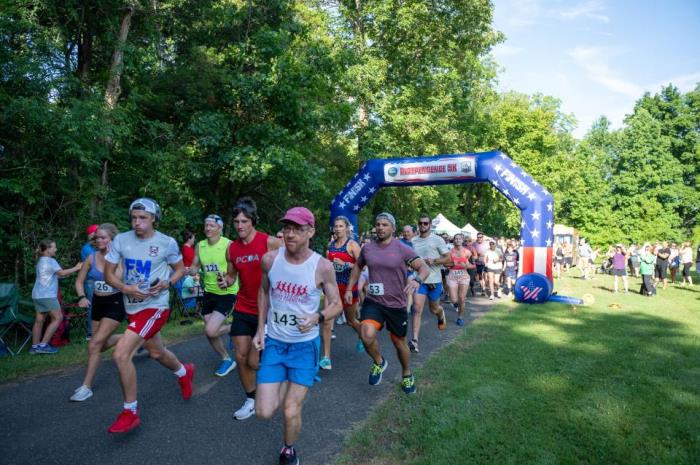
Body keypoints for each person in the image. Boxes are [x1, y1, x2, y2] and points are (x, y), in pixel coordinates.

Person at [253, 207, 342, 465]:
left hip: (304, 347)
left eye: (297, 229)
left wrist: (318, 317)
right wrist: (261, 328)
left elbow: (336, 304)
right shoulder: (270, 260)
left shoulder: (322, 266)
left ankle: (288, 449)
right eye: (287, 228)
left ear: (311, 232)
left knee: (291, 411)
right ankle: (280, 382)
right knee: (264, 412)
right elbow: (263, 293)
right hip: (276, 344)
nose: (290, 234)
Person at [104, 198, 195, 433]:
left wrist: (167, 283)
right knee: (156, 352)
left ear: (154, 218)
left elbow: (180, 269)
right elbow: (108, 275)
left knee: (121, 354)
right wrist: (125, 288)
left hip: (156, 307)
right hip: (131, 305)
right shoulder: (121, 240)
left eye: (143, 218)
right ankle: (184, 372)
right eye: (134, 218)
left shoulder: (166, 243)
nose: (137, 223)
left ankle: (130, 411)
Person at [346, 212, 429, 396]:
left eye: (385, 224)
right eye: (378, 224)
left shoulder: (402, 248)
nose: (380, 227)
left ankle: (407, 374)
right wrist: (349, 289)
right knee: (366, 334)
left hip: (396, 304)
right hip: (374, 302)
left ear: (392, 228)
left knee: (399, 342)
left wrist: (416, 280)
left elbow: (423, 268)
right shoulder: (367, 248)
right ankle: (379, 362)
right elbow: (358, 266)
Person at [221, 197, 282, 420]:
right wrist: (225, 282)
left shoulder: (270, 242)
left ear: (253, 221)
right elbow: (231, 275)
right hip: (244, 306)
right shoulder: (232, 249)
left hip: (269, 308)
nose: (240, 226)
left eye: (244, 221)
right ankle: (251, 399)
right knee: (240, 356)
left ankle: (276, 385)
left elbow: (294, 259)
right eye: (236, 221)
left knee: (254, 361)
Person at [71, 223, 126, 401]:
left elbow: (118, 280)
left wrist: (115, 258)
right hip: (97, 303)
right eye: (97, 238)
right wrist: (81, 297)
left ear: (112, 239)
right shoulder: (91, 258)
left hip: (115, 302)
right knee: (99, 345)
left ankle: (86, 386)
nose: (99, 240)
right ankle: (129, 337)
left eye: (103, 237)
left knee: (93, 345)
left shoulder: (119, 258)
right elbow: (79, 281)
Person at [188, 214, 239, 377]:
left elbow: (236, 269)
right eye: (206, 225)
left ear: (220, 228)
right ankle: (226, 359)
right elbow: (195, 265)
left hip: (226, 292)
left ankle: (238, 327)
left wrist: (228, 278)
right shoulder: (200, 245)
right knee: (209, 331)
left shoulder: (228, 245)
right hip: (208, 293)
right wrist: (192, 271)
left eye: (211, 226)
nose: (208, 228)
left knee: (211, 331)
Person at [321, 216, 364, 369]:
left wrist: (346, 263)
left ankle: (362, 335)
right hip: (332, 289)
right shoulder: (330, 246)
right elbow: (327, 267)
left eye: (340, 226)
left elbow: (362, 267)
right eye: (335, 226)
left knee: (351, 321)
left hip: (348, 289)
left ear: (346, 228)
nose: (337, 229)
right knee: (326, 321)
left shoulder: (352, 245)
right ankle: (326, 358)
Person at [30, 239, 82, 354]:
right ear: (48, 249)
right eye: (54, 247)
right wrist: (76, 268)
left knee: (40, 320)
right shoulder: (51, 261)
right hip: (47, 295)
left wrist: (67, 274)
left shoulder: (40, 261)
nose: (56, 249)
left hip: (37, 295)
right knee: (58, 318)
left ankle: (34, 347)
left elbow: (54, 276)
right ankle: (43, 345)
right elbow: (61, 273)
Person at [409, 214, 449, 353]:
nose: (423, 226)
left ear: (430, 225)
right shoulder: (413, 241)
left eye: (426, 223)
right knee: (417, 309)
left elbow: (448, 259)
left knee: (433, 309)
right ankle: (414, 340)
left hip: (434, 280)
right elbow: (410, 259)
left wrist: (435, 261)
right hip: (420, 280)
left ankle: (440, 313)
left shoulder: (437, 240)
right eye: (421, 223)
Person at [445, 233, 473, 326]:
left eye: (459, 239)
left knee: (462, 298)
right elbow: (445, 264)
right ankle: (456, 304)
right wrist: (453, 263)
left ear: (462, 240)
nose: (457, 240)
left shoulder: (467, 252)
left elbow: (473, 265)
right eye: (456, 238)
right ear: (453, 240)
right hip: (452, 275)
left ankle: (460, 317)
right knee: (453, 299)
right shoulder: (449, 251)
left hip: (464, 276)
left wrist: (467, 266)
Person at [81, 224, 99, 339]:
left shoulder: (98, 246)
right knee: (92, 306)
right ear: (90, 234)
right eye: (96, 232)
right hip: (90, 281)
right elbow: (95, 263)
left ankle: (100, 330)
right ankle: (90, 333)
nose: (98, 235)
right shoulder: (87, 248)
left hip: (100, 280)